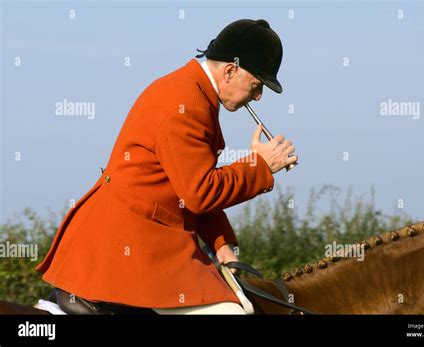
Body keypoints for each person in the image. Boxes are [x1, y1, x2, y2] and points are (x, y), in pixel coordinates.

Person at [36, 18, 298, 314]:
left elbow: (184, 188)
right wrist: (259, 166)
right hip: (128, 244)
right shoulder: (188, 104)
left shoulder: (193, 93)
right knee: (233, 313)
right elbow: (199, 191)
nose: (258, 96)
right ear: (229, 70)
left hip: (143, 237)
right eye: (256, 85)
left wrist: (221, 242)